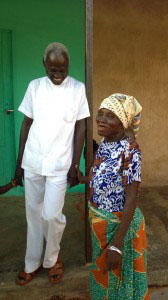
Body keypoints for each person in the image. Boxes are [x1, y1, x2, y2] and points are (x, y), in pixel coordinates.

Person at [14, 42, 90, 286]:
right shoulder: (34, 87)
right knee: (33, 215)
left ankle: (53, 258)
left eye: (63, 70)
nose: (58, 75)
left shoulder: (78, 89)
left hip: (60, 163)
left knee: (51, 215)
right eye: (53, 70)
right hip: (33, 161)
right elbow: (26, 124)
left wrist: (75, 164)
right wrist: (19, 164)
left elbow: (81, 126)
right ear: (44, 64)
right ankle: (32, 263)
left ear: (68, 66)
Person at [77, 93, 149, 299]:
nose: (101, 120)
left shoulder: (131, 150)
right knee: (104, 281)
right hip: (100, 225)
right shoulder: (105, 142)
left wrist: (116, 245)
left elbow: (132, 197)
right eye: (100, 114)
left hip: (120, 228)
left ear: (123, 122)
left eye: (110, 116)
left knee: (121, 285)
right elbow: (105, 176)